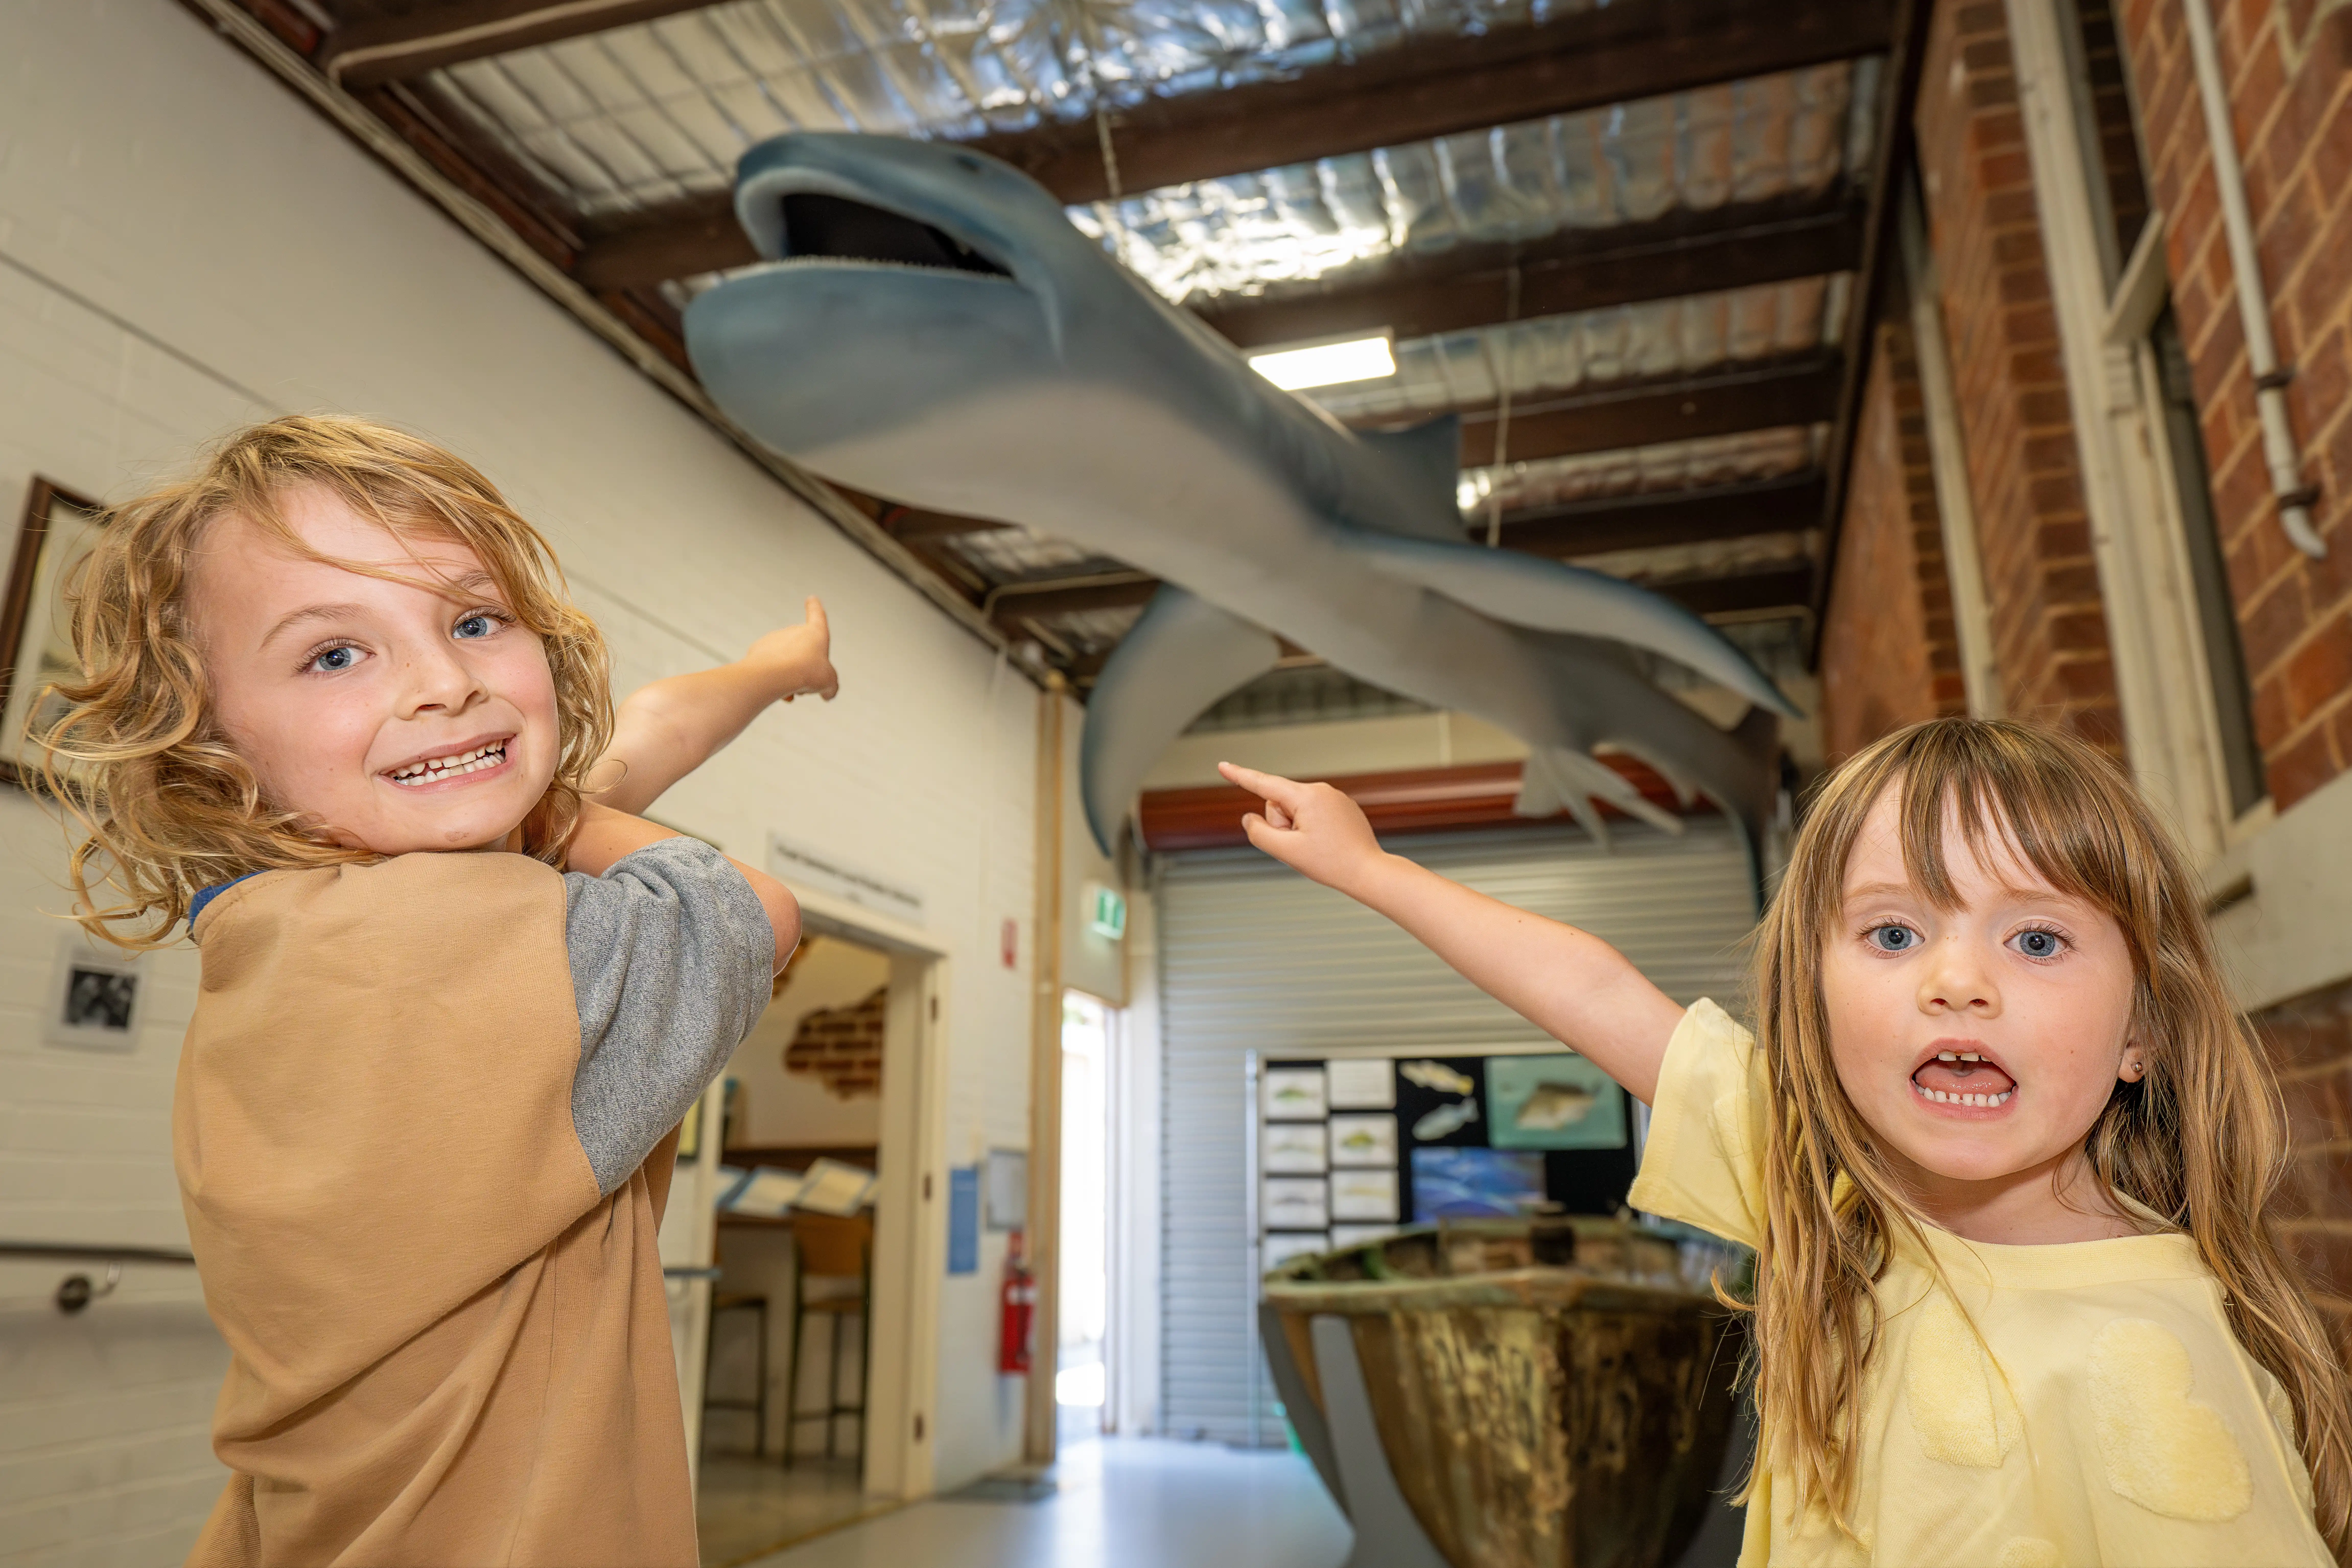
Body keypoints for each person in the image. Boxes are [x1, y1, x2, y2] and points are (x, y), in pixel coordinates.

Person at [1221, 719, 2352, 1566]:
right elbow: (1598, 992)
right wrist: (1371, 868)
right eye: (1896, 930)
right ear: (1813, 998)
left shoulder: (2154, 1367)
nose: (1958, 981)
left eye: (2039, 937)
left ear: (2142, 1032)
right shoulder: (1832, 1193)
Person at [31, 415, 838, 1567]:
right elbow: (750, 910)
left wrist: (766, 672)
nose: (446, 683)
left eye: (473, 620)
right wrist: (536, 784)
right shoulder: (442, 945)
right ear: (213, 742)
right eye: (335, 654)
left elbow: (620, 763)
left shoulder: (285, 929)